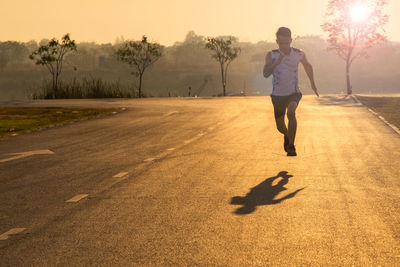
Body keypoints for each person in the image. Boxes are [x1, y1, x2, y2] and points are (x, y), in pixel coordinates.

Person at [263, 27, 319, 156]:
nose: (284, 46)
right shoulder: (271, 54)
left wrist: (312, 84)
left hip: (293, 93)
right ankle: (287, 135)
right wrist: (277, 61)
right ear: (277, 41)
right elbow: (265, 74)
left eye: (287, 43)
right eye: (281, 43)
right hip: (277, 95)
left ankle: (292, 146)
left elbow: (308, 66)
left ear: (291, 40)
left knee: (291, 113)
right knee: (280, 126)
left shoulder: (298, 53)